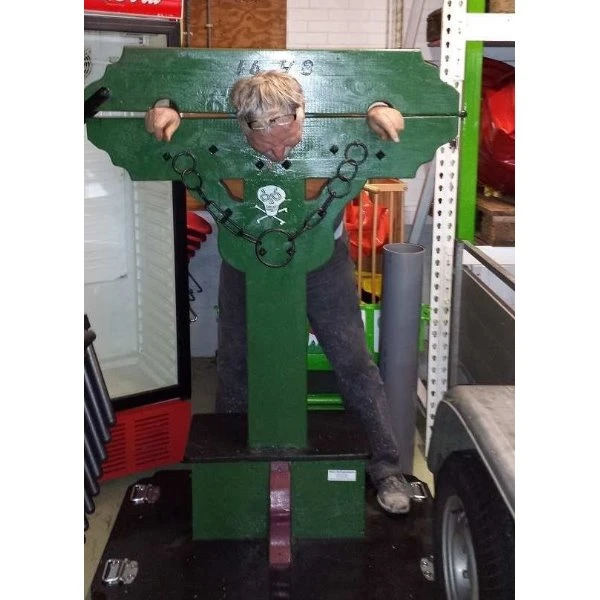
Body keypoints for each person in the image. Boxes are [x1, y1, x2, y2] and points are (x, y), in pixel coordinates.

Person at [145, 71, 412, 514]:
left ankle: (385, 466)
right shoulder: (223, 135)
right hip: (246, 254)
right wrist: (166, 105)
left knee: (352, 360)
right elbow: (174, 100)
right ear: (242, 126)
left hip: (322, 255)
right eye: (267, 147)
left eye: (288, 141)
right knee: (235, 361)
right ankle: (232, 467)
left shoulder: (320, 125)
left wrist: (377, 106)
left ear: (302, 114)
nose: (280, 154)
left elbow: (371, 92)